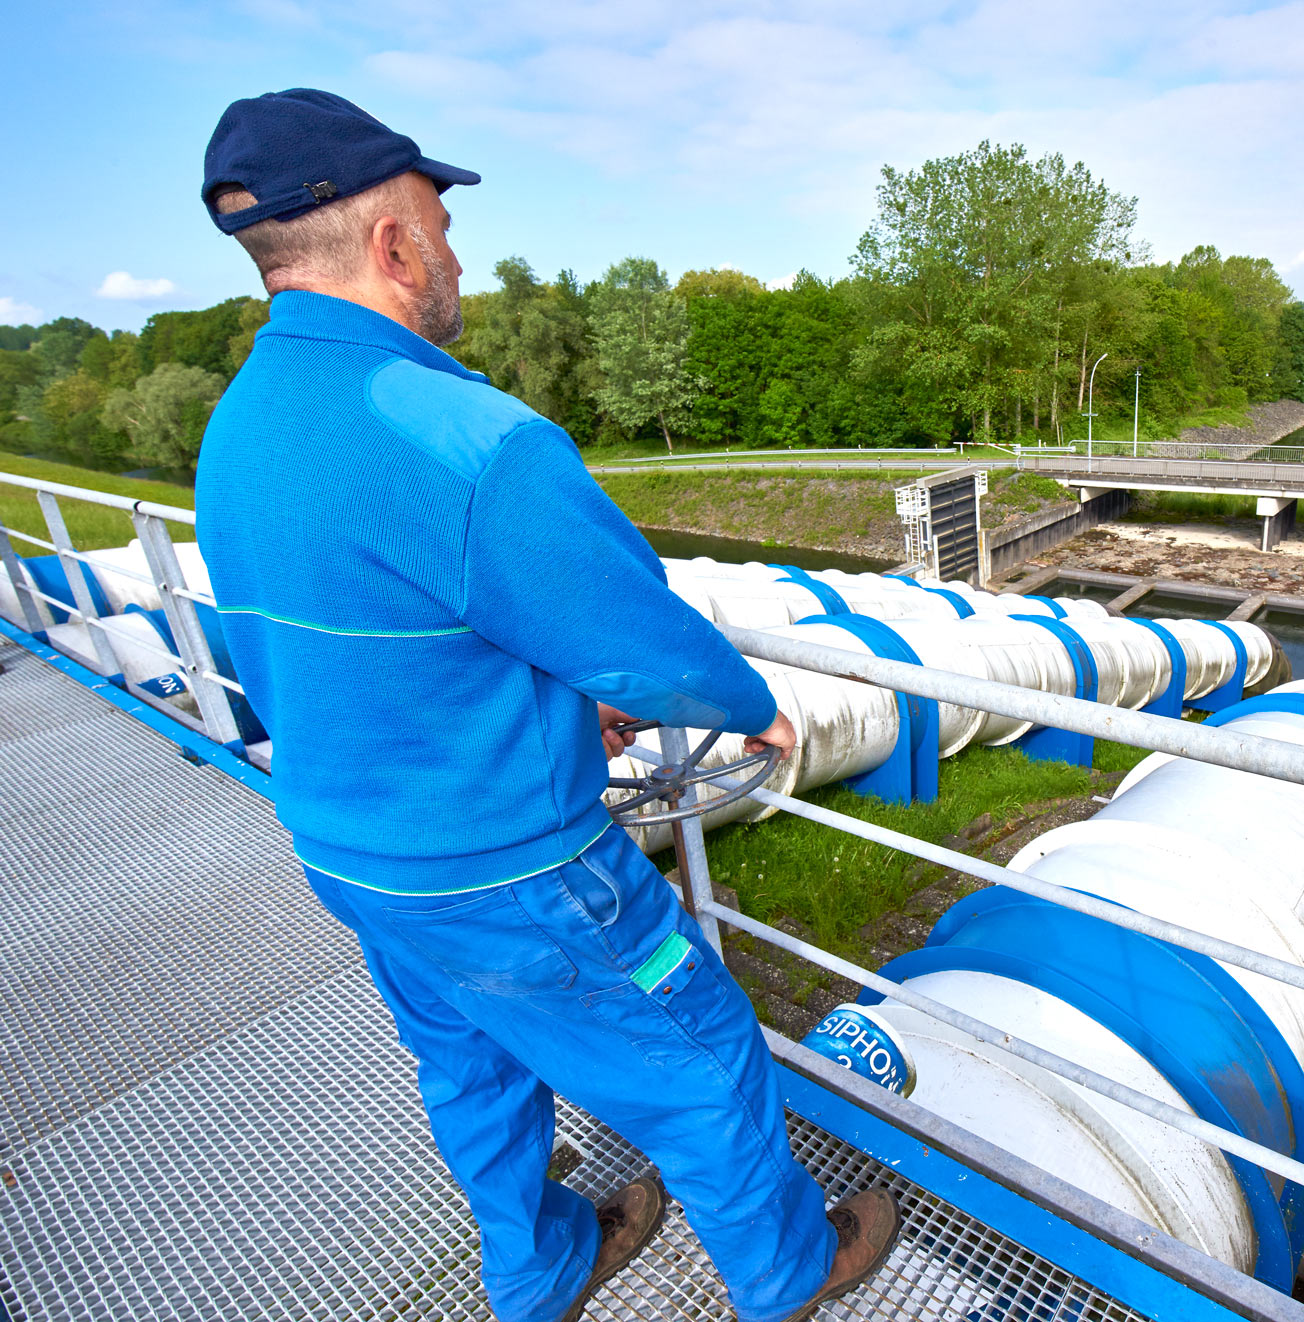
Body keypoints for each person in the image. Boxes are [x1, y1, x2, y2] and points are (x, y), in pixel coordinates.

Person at [193, 89, 898, 1322]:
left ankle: (541, 1265)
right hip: (510, 870)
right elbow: (639, 640)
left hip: (349, 849)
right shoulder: (467, 437)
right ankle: (789, 1269)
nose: (456, 255)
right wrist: (754, 708)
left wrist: (554, 709)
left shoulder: (240, 426)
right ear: (394, 245)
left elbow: (375, 643)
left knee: (471, 1060)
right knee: (702, 1052)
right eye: (440, 224)